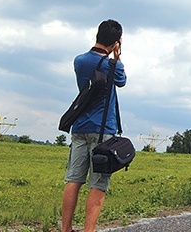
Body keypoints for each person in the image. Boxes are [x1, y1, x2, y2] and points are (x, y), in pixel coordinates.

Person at [61, 19, 126, 232]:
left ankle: (66, 229)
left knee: (74, 180)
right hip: (102, 131)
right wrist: (117, 57)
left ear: (97, 35)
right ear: (117, 42)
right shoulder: (113, 65)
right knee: (98, 184)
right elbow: (121, 81)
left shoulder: (79, 61)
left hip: (79, 128)